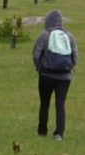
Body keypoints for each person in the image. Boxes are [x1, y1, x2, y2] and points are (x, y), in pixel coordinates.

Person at [31, 8, 77, 139]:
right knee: (60, 105)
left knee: (44, 103)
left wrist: (40, 68)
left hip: (46, 75)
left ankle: (42, 131)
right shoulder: (69, 36)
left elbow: (36, 55)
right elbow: (75, 58)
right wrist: (68, 69)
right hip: (65, 77)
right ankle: (59, 133)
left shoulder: (44, 35)